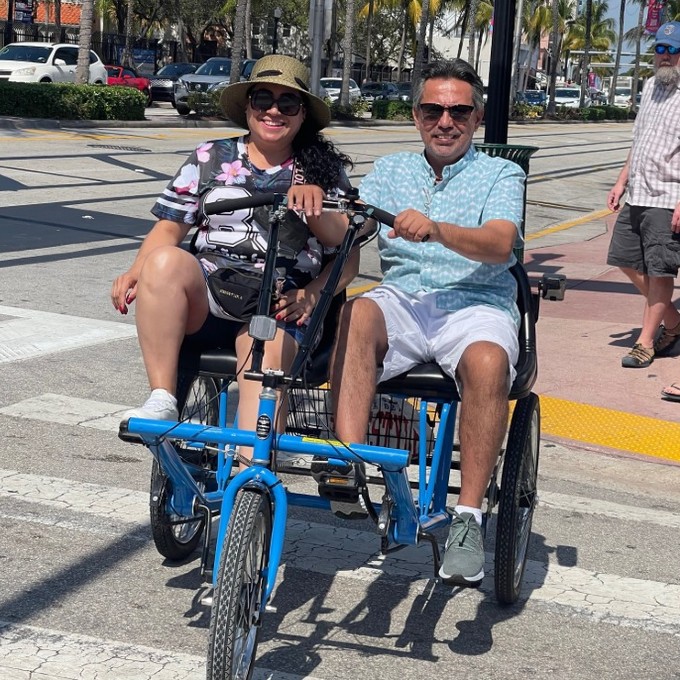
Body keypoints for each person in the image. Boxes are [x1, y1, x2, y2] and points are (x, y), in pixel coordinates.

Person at [330, 59, 525, 587]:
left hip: (476, 301)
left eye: (459, 110)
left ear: (477, 117)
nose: (446, 120)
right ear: (416, 115)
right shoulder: (391, 170)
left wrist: (438, 230)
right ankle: (348, 465)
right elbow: (349, 229)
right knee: (357, 311)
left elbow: (501, 243)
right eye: (433, 109)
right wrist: (309, 203)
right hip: (405, 299)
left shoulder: (501, 173)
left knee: (488, 363)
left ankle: (467, 520)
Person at [112, 55, 357, 456]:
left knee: (264, 358)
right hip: (208, 295)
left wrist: (312, 290)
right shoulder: (211, 156)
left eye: (287, 103)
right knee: (163, 262)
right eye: (263, 99)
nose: (273, 111)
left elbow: (345, 253)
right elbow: (168, 229)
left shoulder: (321, 170)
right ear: (247, 107)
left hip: (275, 304)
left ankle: (250, 480)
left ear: (301, 116)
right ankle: (162, 396)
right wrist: (136, 270)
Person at [606, 21, 680, 384]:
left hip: (669, 196)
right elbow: (639, 142)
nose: (664, 57)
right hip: (639, 192)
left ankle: (646, 342)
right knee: (622, 258)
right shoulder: (650, 86)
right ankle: (674, 321)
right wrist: (621, 182)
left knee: (660, 270)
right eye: (660, 50)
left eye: (672, 50)